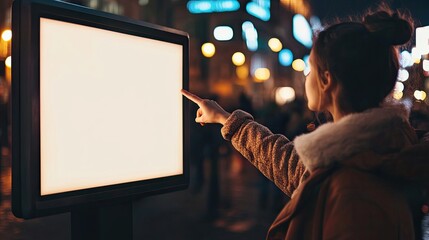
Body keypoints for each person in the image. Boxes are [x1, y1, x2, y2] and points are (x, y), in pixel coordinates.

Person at [182, 5, 429, 240]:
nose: (306, 75)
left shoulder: (354, 193)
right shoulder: (371, 151)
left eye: (310, 67)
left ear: (327, 80)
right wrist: (226, 119)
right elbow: (294, 167)